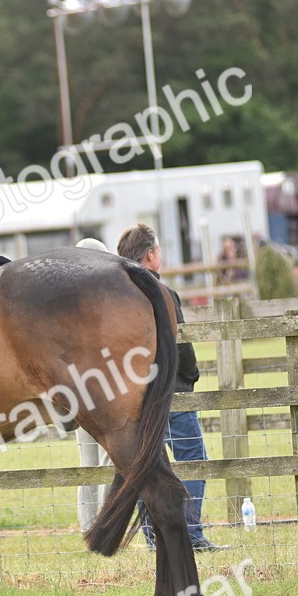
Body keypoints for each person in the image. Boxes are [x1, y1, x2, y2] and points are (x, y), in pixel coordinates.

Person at [116, 223, 226, 552]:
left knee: (147, 464)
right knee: (193, 458)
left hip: (134, 394)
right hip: (171, 390)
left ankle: (154, 537)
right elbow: (181, 348)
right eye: (159, 250)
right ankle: (189, 533)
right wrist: (190, 376)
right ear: (151, 255)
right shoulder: (162, 293)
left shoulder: (115, 298)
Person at [73, 238, 113, 530]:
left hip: (75, 390)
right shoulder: (103, 300)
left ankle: (88, 526)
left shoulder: (67, 304)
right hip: (102, 388)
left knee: (88, 462)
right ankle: (104, 525)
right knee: (107, 459)